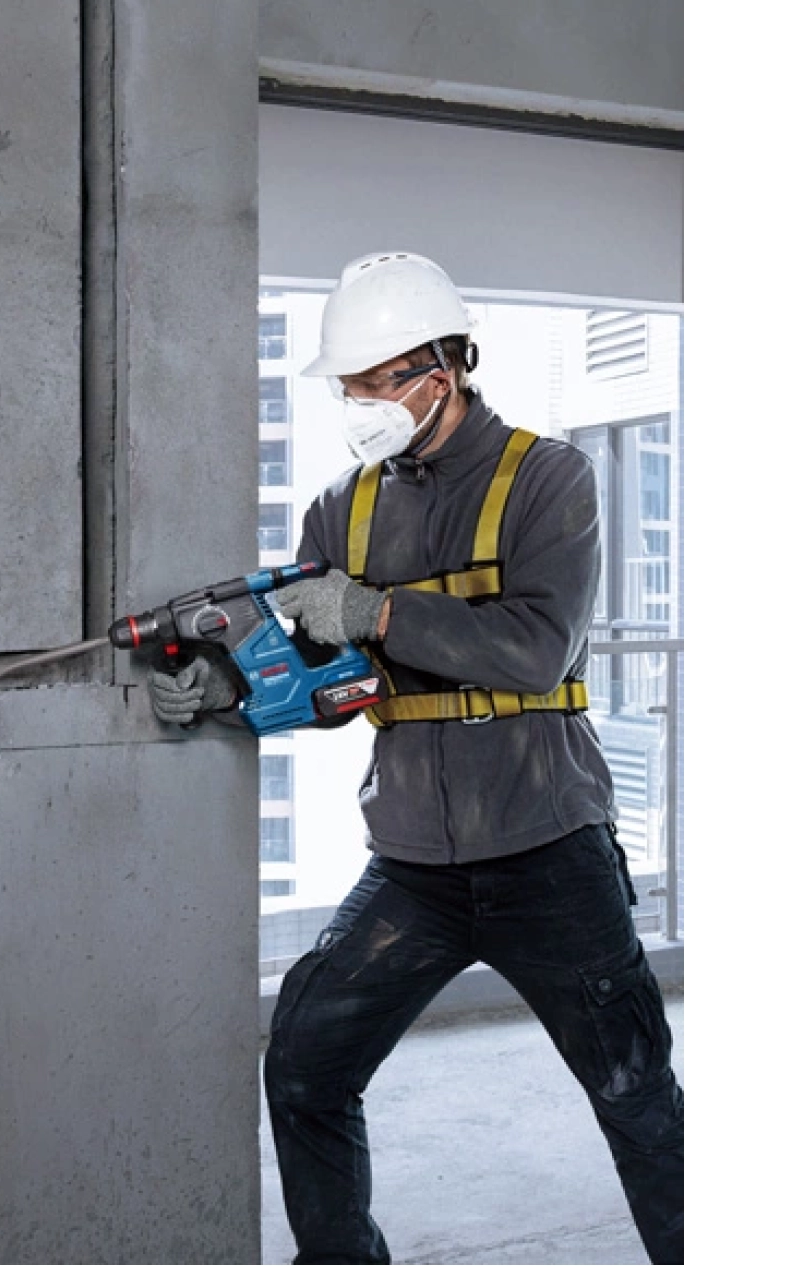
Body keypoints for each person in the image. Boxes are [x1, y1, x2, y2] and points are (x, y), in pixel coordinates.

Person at [146, 250, 684, 1265]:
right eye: (346, 385)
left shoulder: (546, 479)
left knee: (636, 1097)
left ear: (442, 369)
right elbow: (322, 674)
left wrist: (380, 610)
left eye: (373, 381)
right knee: (303, 1066)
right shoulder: (339, 509)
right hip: (413, 866)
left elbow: (536, 649)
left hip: (548, 847)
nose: (356, 403)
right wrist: (226, 690)